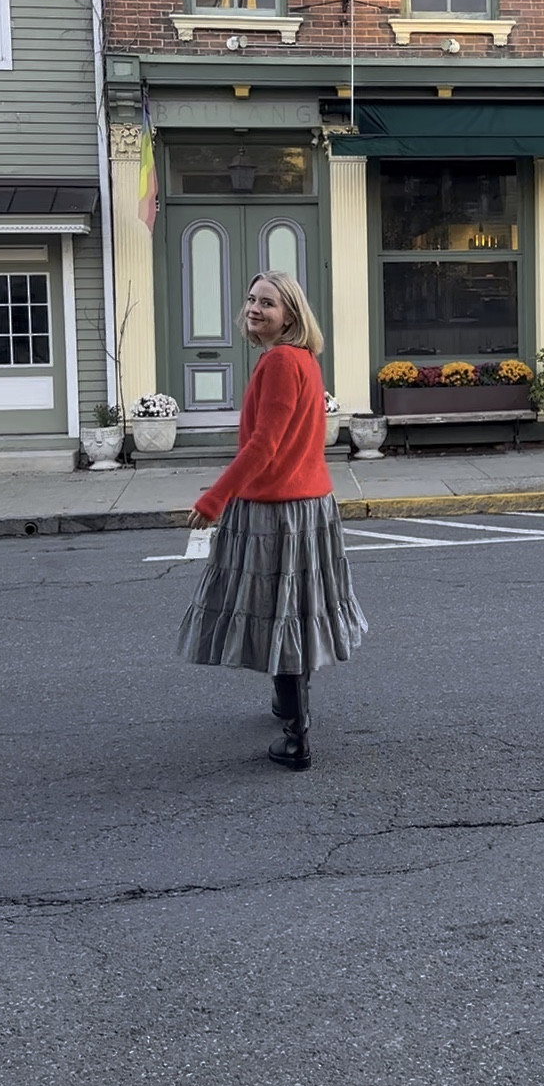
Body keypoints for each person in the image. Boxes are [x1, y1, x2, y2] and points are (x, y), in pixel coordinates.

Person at [177, 270, 366, 770]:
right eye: (251, 299)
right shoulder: (300, 358)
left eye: (268, 303)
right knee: (296, 608)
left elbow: (265, 445)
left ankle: (296, 735)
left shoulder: (282, 361)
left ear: (291, 316)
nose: (255, 308)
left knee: (280, 613)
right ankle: (288, 704)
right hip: (307, 505)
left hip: (278, 510)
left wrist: (214, 499)